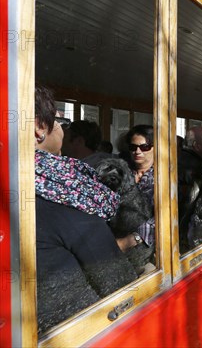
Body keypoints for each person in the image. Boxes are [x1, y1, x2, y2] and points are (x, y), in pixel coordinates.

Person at [34, 86, 136, 333]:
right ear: (39, 127)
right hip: (79, 330)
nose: (63, 129)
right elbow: (119, 283)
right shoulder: (64, 193)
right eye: (60, 121)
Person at [117, 125, 155, 253]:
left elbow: (163, 217)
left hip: (149, 249)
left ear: (156, 148)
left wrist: (132, 240)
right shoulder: (121, 173)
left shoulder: (164, 178)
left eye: (145, 147)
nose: (138, 152)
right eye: (133, 147)